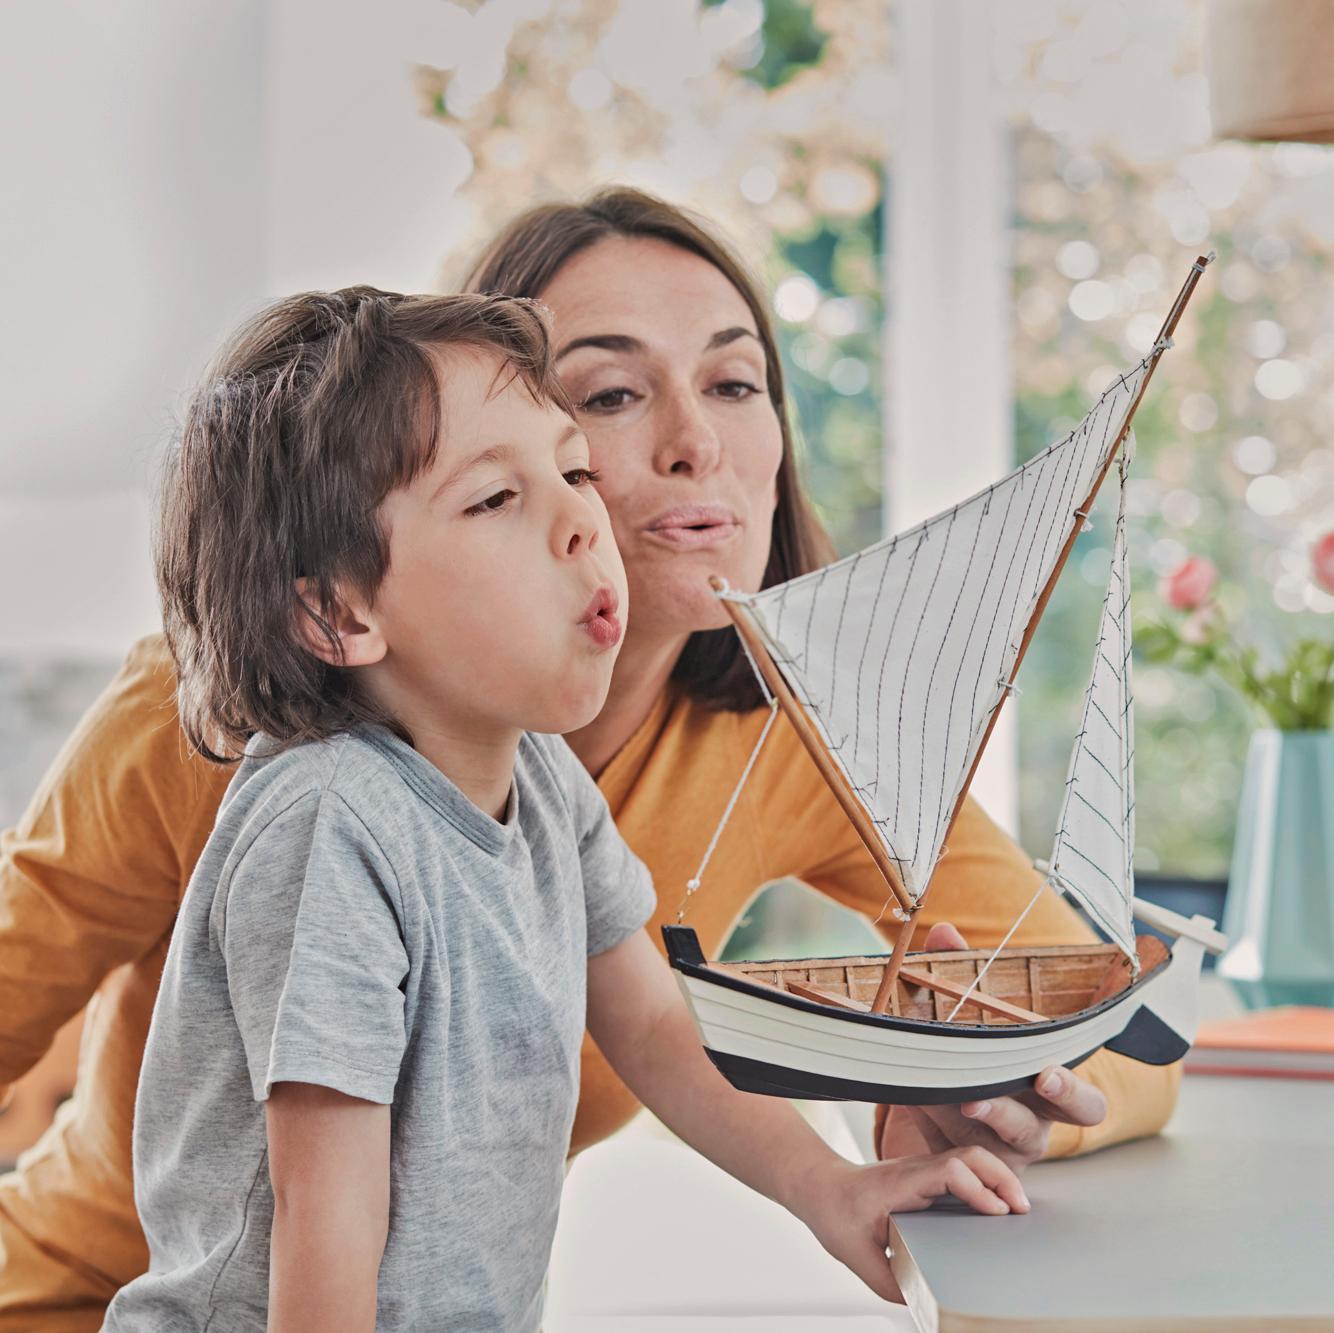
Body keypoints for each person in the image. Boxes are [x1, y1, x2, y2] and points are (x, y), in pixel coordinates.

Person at [0, 189, 1179, 1331]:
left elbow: (676, 1031)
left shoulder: (617, 767)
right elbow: (327, 1200)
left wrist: (905, 1134)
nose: (693, 443)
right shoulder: (271, 768)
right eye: (610, 395)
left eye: (733, 381)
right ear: (341, 599)